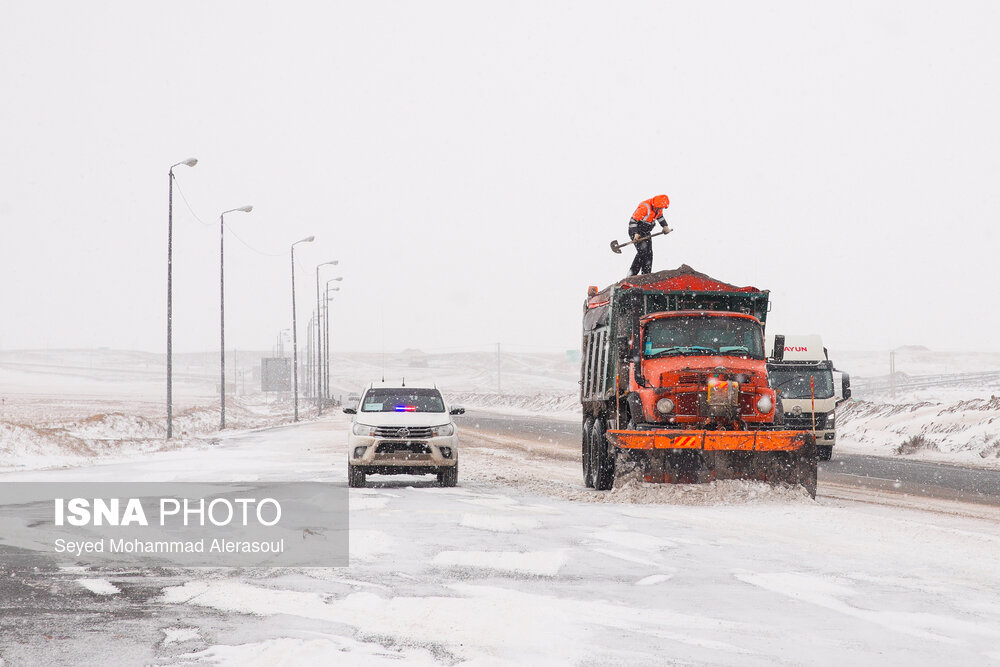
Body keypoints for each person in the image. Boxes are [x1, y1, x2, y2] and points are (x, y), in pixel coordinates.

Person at [627, 194, 670, 276]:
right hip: (637, 231)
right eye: (659, 208)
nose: (660, 209)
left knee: (649, 254)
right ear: (655, 205)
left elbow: (660, 216)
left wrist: (665, 226)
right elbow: (633, 221)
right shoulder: (644, 207)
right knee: (643, 252)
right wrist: (635, 233)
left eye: (661, 208)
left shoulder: (659, 208)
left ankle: (646, 276)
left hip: (646, 232)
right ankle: (631, 275)